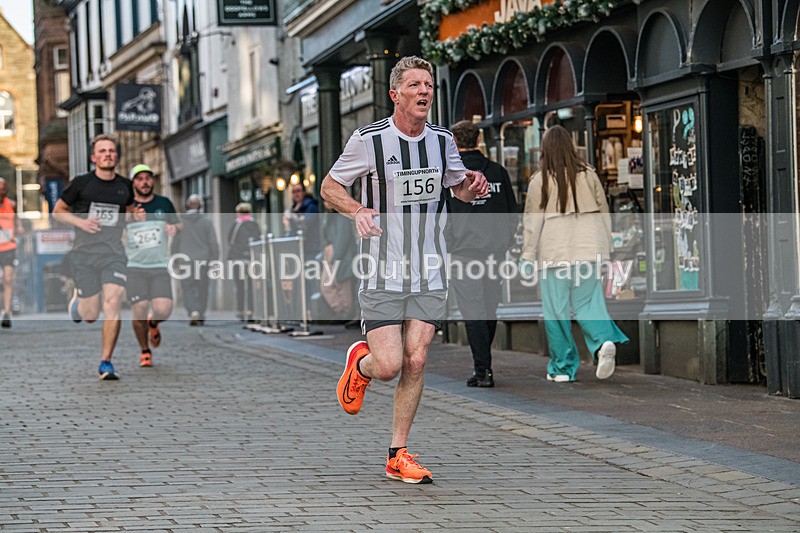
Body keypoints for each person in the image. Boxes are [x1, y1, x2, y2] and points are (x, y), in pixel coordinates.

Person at [321, 56, 489, 484]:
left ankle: (398, 452)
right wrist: (357, 209)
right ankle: (361, 365)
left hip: (430, 270)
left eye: (429, 84)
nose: (424, 91)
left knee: (416, 358)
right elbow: (329, 187)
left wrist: (472, 187)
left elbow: (459, 190)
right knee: (391, 363)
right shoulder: (368, 140)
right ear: (395, 94)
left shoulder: (442, 140)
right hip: (382, 270)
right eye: (415, 84)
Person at [520, 125, 629, 382]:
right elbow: (604, 210)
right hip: (589, 249)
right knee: (588, 302)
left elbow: (532, 222)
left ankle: (562, 368)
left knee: (556, 312)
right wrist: (608, 247)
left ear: (545, 149)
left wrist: (527, 255)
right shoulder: (588, 173)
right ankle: (603, 342)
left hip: (555, 251)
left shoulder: (540, 180)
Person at [52, 134, 138, 380]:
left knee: (113, 302)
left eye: (111, 151)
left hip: (113, 254)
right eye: (102, 151)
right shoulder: (81, 184)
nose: (107, 154)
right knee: (90, 315)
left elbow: (130, 212)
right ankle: (79, 299)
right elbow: (58, 212)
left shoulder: (124, 185)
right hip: (84, 255)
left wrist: (136, 217)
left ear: (117, 156)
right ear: (94, 157)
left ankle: (106, 361)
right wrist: (82, 222)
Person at [447, 120, 518, 388]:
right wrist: (505, 241)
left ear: (455, 142)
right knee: (489, 309)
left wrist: (449, 244)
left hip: (464, 254)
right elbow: (512, 213)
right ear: (478, 140)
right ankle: (483, 365)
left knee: (474, 313)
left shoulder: (452, 177)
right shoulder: (498, 172)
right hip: (494, 252)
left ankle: (483, 370)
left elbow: (445, 217)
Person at [125, 164, 181, 367]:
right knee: (138, 308)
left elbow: (178, 223)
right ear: (134, 183)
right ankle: (144, 350)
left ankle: (154, 323)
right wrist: (130, 217)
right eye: (140, 179)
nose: (145, 182)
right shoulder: (127, 205)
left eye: (148, 178)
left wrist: (173, 226)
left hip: (159, 265)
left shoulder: (164, 203)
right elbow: (113, 226)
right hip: (134, 266)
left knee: (164, 309)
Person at [173, 194, 218, 326]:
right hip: (203, 260)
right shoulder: (207, 222)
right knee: (202, 287)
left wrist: (175, 260)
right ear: (200, 206)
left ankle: (193, 311)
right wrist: (214, 260)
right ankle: (200, 311)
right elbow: (213, 243)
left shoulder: (181, 222)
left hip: (185, 260)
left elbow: (175, 243)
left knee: (188, 287)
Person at [227, 202, 260, 321]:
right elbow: (258, 239)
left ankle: (241, 311)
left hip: (237, 259)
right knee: (251, 286)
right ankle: (250, 311)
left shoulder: (236, 225)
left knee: (239, 286)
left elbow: (229, 240)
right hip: (251, 259)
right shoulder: (254, 224)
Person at [0, 177, 24, 328]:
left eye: (2, 188)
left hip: (8, 247)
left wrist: (20, 228)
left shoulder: (12, 205)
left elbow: (18, 222)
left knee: (8, 279)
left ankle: (7, 313)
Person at [283, 184, 320, 260]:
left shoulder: (311, 206)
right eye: (293, 192)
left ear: (303, 192)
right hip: (299, 249)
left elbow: (305, 225)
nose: (296, 194)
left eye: (298, 191)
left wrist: (293, 218)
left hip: (312, 248)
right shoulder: (294, 208)